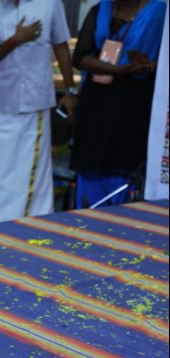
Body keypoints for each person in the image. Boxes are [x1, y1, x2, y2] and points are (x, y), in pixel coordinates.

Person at [0, 0, 78, 225]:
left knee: (31, 176)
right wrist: (15, 40)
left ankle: (30, 229)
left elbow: (61, 46)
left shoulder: (50, 4)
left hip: (34, 104)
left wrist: (70, 90)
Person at [70, 0, 166, 208]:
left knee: (126, 164)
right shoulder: (100, 10)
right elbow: (79, 57)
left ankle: (122, 218)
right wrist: (116, 70)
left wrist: (150, 66)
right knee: (91, 165)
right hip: (97, 102)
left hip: (135, 103)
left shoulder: (160, 13)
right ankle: (87, 217)